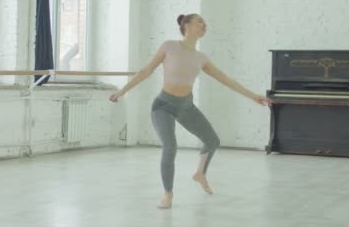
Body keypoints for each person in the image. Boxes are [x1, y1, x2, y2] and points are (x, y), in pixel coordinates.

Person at [109, 13, 272, 209]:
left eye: (205, 22)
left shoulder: (201, 58)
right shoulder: (169, 46)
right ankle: (168, 193)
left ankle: (200, 173)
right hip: (163, 106)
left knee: (213, 141)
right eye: (199, 22)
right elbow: (146, 71)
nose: (204, 24)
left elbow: (227, 80)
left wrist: (254, 96)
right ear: (186, 25)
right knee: (170, 147)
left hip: (186, 106)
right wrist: (122, 91)